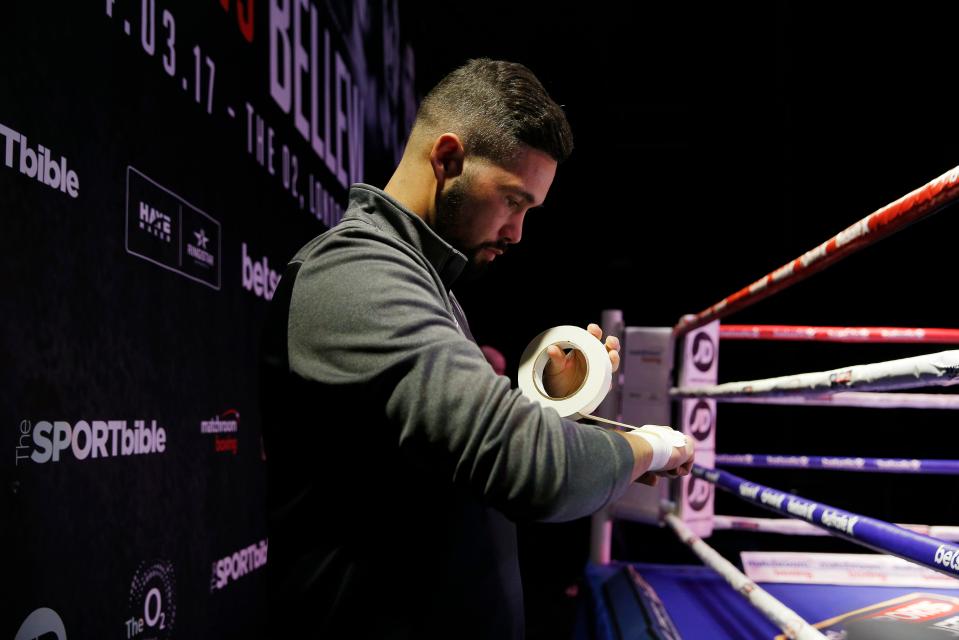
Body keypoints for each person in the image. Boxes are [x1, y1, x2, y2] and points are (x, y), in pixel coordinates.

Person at [259, 58, 694, 639]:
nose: (517, 233)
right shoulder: (355, 276)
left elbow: (443, 459)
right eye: (514, 201)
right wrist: (651, 447)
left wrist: (556, 404)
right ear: (447, 159)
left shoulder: (422, 279)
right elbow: (532, 470)